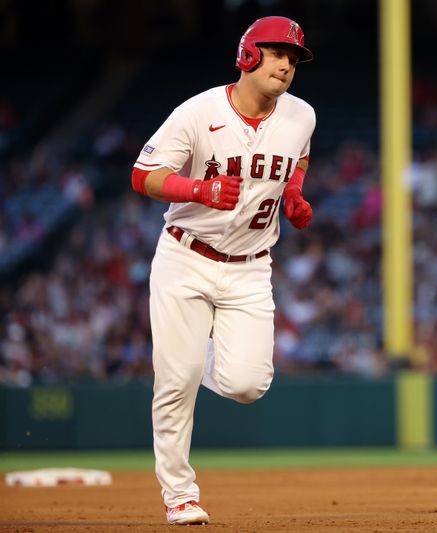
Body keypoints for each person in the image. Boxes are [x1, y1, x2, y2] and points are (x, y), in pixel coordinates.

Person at [130, 16, 315, 525]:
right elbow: (143, 175)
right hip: (186, 255)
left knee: (247, 385)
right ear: (248, 55)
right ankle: (179, 496)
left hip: (251, 267)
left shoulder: (302, 116)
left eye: (294, 58)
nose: (286, 64)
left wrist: (294, 192)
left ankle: (193, 355)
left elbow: (299, 156)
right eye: (277, 53)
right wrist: (198, 190)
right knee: (177, 381)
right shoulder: (198, 112)